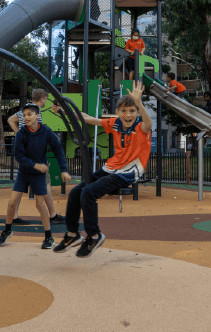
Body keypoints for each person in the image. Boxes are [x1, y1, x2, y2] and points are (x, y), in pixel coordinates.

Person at [53, 80, 152, 258]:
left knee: (88, 192)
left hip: (128, 171)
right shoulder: (114, 124)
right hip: (110, 168)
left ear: (137, 112)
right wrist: (63, 108)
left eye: (132, 111)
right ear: (117, 112)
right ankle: (72, 234)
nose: (128, 115)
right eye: (124, 111)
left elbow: (149, 123)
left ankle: (94, 235)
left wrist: (139, 102)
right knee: (76, 192)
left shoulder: (141, 127)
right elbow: (87, 118)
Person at [0, 103, 70, 249]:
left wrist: (63, 169)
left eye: (29, 114)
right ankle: (7, 230)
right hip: (24, 172)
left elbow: (58, 149)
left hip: (38, 175)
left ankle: (49, 237)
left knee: (39, 204)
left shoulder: (46, 132)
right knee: (12, 202)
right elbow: (19, 156)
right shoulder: (21, 133)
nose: (26, 117)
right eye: (24, 115)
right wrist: (35, 165)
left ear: (37, 116)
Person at [7, 89, 66, 225]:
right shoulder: (33, 112)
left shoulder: (26, 110)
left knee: (20, 186)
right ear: (42, 99)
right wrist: (21, 135)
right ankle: (52, 215)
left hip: (28, 153)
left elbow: (11, 119)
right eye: (46, 99)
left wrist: (19, 135)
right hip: (34, 155)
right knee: (45, 183)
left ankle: (14, 216)